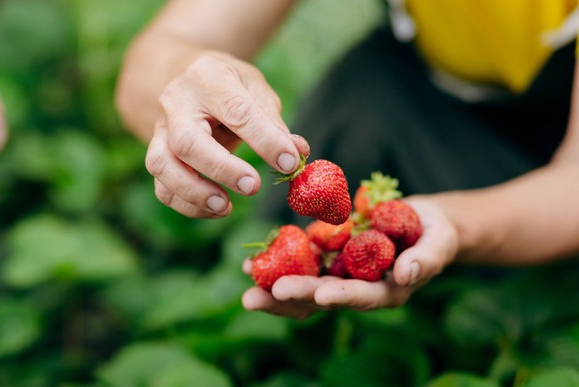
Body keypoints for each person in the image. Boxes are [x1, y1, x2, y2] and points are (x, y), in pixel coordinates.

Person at [115, 0, 579, 319]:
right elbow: (160, 50)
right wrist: (189, 87)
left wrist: (457, 224)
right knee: (359, 101)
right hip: (412, 102)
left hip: (556, 173)